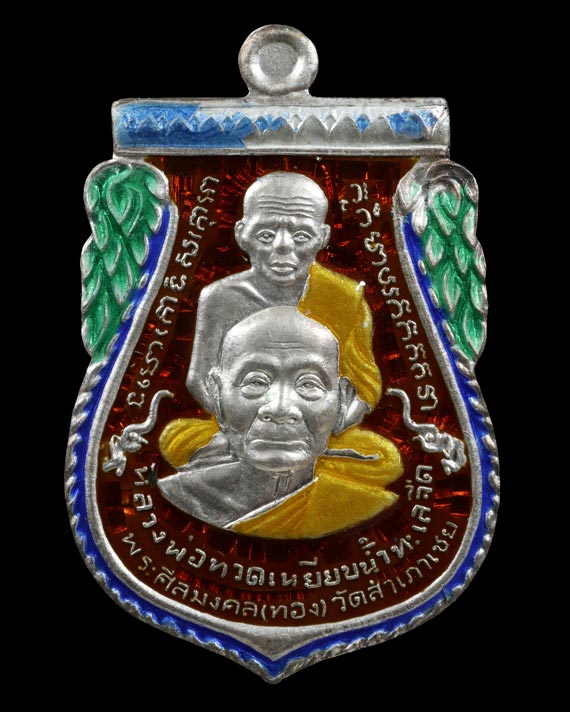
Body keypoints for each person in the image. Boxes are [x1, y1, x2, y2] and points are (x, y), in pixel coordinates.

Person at [160, 171, 384, 468]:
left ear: (323, 237)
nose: (282, 245)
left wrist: (320, 429)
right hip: (240, 424)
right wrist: (238, 427)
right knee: (175, 440)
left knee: (384, 457)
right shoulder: (221, 298)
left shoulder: (343, 298)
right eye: (265, 235)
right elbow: (200, 379)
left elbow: (364, 387)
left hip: (312, 426)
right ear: (242, 234)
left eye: (301, 236)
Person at [158, 307, 403, 538]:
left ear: (343, 402)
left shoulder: (367, 508)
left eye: (308, 384)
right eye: (255, 382)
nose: (280, 408)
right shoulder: (178, 497)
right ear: (217, 395)